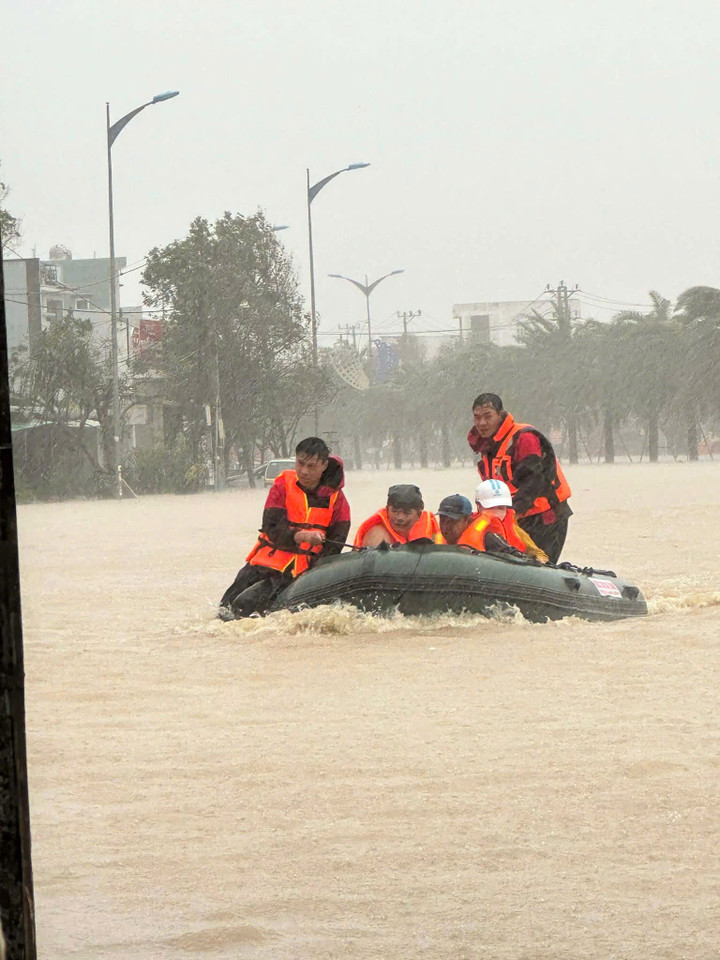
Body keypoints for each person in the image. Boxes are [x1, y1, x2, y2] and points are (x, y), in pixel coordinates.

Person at [219, 437, 351, 618]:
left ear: (324, 466)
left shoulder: (338, 501)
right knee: (227, 610)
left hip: (300, 575)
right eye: (300, 463)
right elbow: (271, 526)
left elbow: (335, 545)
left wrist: (312, 577)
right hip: (262, 566)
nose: (304, 471)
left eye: (311, 466)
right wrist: (301, 536)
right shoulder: (282, 486)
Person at [468, 392, 572, 562]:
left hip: (545, 515)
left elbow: (534, 480)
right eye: (477, 417)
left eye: (487, 416)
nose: (482, 423)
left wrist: (513, 512)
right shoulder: (487, 447)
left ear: (501, 415)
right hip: (515, 517)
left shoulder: (524, 437)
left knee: (540, 565)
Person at [435, 490, 547, 561]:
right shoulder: (435, 541)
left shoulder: (490, 539)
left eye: (453, 521)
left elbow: (518, 559)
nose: (446, 527)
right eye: (443, 520)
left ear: (467, 520)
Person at [354, 484, 442, 548]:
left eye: (407, 512)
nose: (400, 518)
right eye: (395, 511)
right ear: (387, 510)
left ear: (419, 514)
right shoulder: (377, 536)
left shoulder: (429, 525)